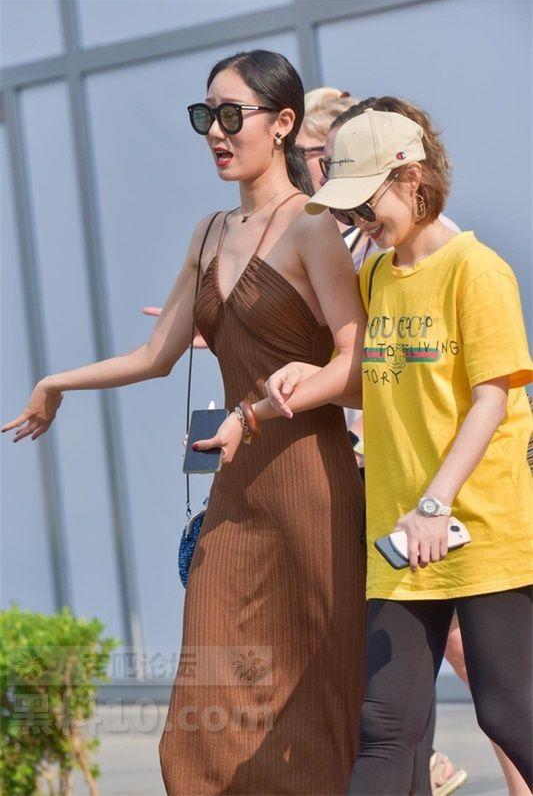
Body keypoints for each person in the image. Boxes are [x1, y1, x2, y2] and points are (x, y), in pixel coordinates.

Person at [0, 48, 373, 795]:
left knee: (310, 705)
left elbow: (357, 369)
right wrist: (54, 381)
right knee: (201, 721)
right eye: (206, 116)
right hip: (234, 497)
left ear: (284, 123)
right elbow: (155, 355)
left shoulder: (312, 228)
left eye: (232, 115)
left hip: (311, 488)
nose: (216, 132)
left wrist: (255, 410)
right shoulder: (208, 233)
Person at [260, 106, 533, 793]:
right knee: (384, 725)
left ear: (413, 178)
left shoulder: (476, 270)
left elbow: (491, 400)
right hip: (402, 533)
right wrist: (306, 377)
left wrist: (436, 504)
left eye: (365, 203)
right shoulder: (377, 277)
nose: (357, 221)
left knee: (509, 712)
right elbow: (372, 381)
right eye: (345, 210)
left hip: (478, 526)